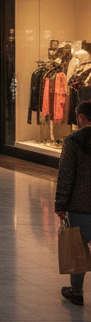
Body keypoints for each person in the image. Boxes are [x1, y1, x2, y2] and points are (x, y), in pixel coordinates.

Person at [55, 99, 91, 306]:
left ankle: (76, 292)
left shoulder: (73, 141)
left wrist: (60, 204)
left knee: (78, 249)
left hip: (79, 206)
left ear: (81, 117)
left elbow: (66, 175)